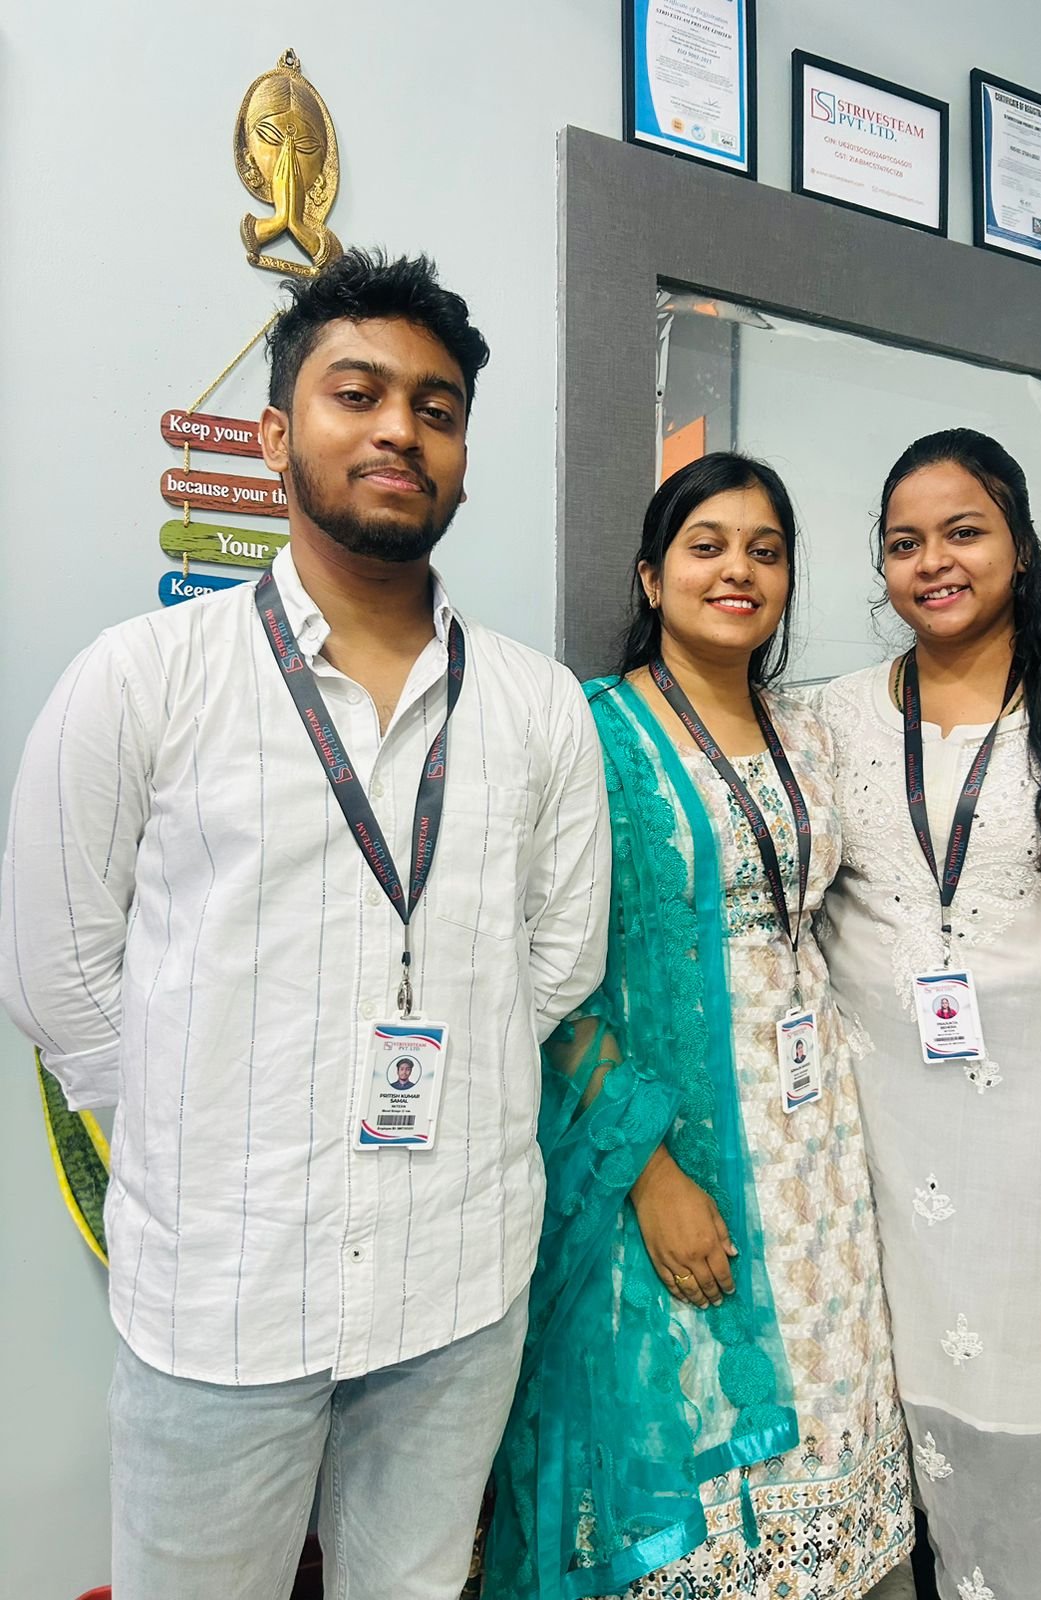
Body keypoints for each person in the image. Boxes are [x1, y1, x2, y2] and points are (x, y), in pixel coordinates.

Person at [0, 248, 610, 1600]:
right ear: (278, 434)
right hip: (223, 1299)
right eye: (358, 393)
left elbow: (559, 960)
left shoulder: (538, 707)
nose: (400, 430)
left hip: (457, 1285)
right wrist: (201, 1141)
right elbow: (56, 972)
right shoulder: (144, 679)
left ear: (463, 460)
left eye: (437, 410)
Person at [487, 453, 912, 1599]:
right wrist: (651, 1170)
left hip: (820, 1155)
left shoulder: (809, 731)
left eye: (766, 551)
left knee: (828, 1430)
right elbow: (550, 976)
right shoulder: (596, 733)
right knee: (686, 1458)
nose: (739, 570)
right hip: (672, 1140)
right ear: (651, 574)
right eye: (707, 545)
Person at [815, 429, 1041, 1600]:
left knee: (1027, 1436)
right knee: (884, 1431)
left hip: (1038, 1157)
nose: (934, 561)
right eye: (904, 542)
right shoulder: (828, 719)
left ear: (1019, 546)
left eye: (963, 532)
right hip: (867, 1153)